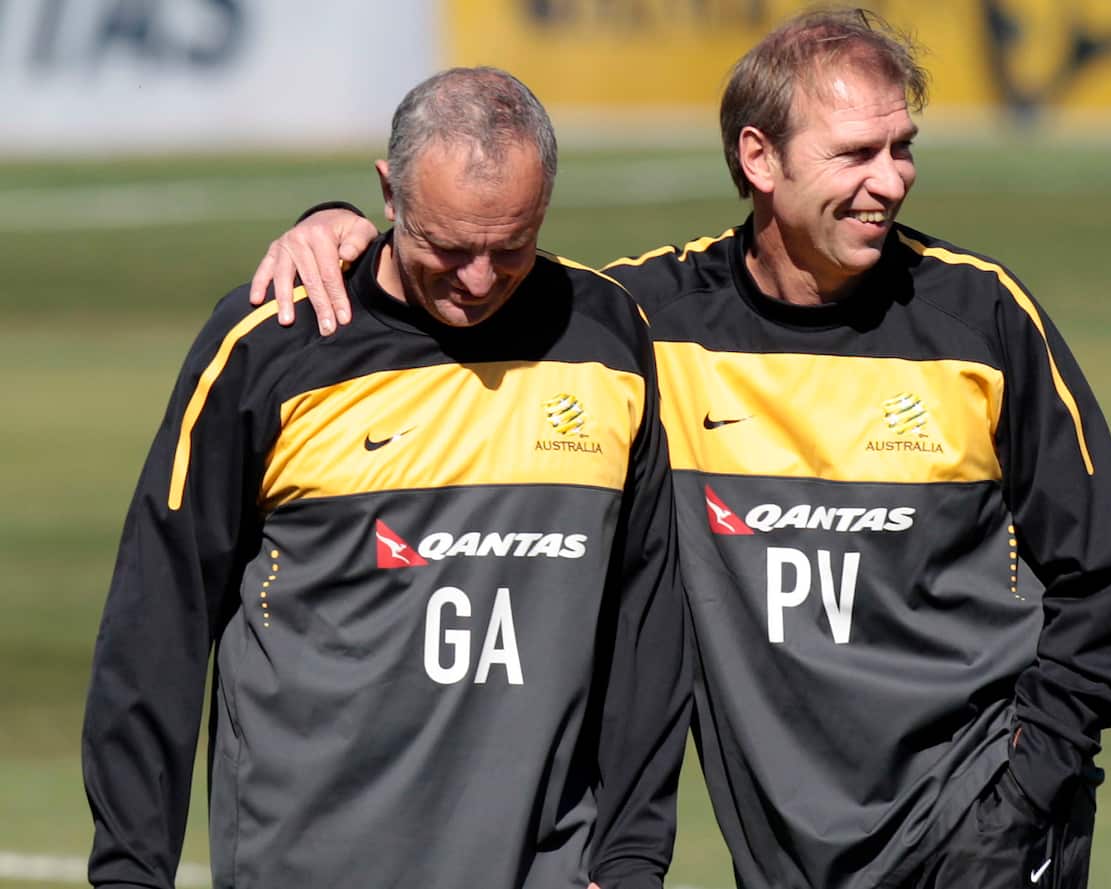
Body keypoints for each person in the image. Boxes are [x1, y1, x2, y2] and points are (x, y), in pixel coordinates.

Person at [247, 9, 1111, 888]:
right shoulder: (644, 326)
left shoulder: (979, 317)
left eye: (903, 149)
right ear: (759, 157)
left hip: (983, 828)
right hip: (786, 848)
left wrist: (1023, 785)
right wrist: (338, 225)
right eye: (856, 153)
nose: (891, 179)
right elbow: (458, 291)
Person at [82, 67, 691, 889]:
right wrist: (130, 871)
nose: (478, 280)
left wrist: (630, 858)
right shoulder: (274, 346)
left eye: (508, 246)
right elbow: (158, 621)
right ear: (388, 196)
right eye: (448, 246)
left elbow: (647, 616)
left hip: (549, 862)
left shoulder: (608, 337)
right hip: (307, 860)